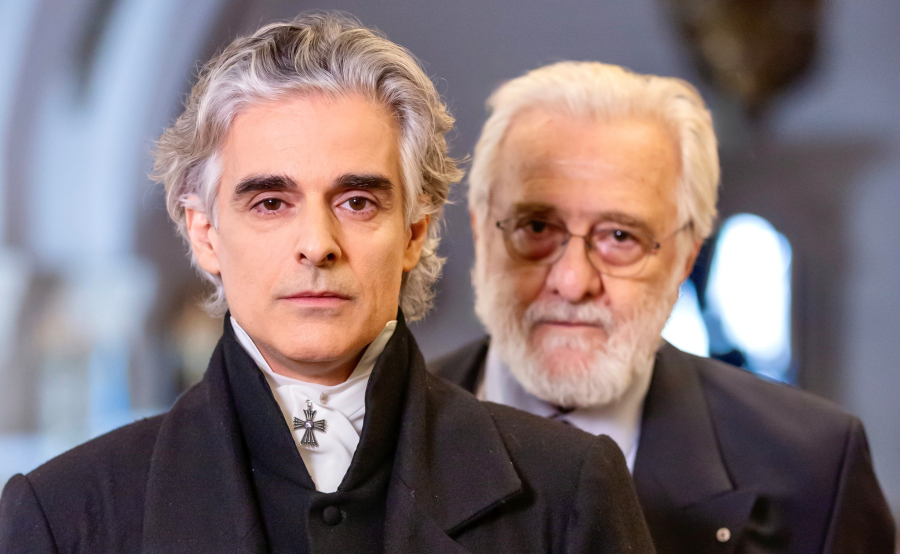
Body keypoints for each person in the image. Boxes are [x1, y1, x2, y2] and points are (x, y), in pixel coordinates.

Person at [0, 14, 657, 554]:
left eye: (357, 202)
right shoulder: (62, 515)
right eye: (271, 203)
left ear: (414, 232)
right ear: (204, 234)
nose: (317, 243)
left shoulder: (568, 489)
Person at [430, 61, 896, 553]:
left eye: (620, 236)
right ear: (481, 230)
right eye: (537, 227)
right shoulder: (379, 428)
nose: (572, 282)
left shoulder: (815, 468)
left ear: (685, 256)